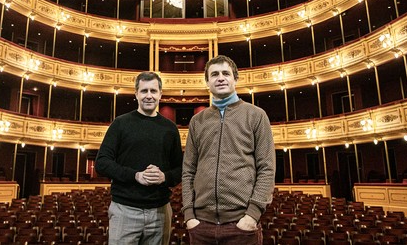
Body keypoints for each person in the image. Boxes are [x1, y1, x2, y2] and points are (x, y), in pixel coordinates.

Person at [182, 55, 275, 245]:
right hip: (201, 225)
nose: (221, 78)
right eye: (214, 74)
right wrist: (189, 216)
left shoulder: (256, 115)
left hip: (241, 224)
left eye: (226, 73)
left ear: (235, 79)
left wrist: (252, 215)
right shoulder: (197, 121)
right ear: (207, 82)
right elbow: (188, 171)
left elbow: (267, 168)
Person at [95, 71, 183, 245]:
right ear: (136, 94)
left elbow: (181, 169)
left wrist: (164, 177)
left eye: (153, 91)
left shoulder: (170, 128)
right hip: (124, 210)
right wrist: (136, 175)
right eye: (144, 91)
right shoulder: (120, 123)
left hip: (160, 212)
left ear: (160, 94)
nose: (149, 96)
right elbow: (102, 163)